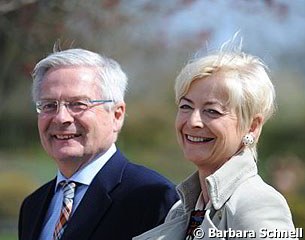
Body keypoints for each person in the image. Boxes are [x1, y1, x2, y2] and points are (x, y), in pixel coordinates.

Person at [134, 42, 298, 240]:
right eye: (186, 106)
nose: (193, 121)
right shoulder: (182, 209)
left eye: (212, 111)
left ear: (252, 126)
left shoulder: (258, 204)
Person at [18, 48, 179, 240]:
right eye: (49, 105)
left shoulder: (152, 198)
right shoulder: (32, 206)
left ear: (117, 115)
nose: (61, 118)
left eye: (78, 104)